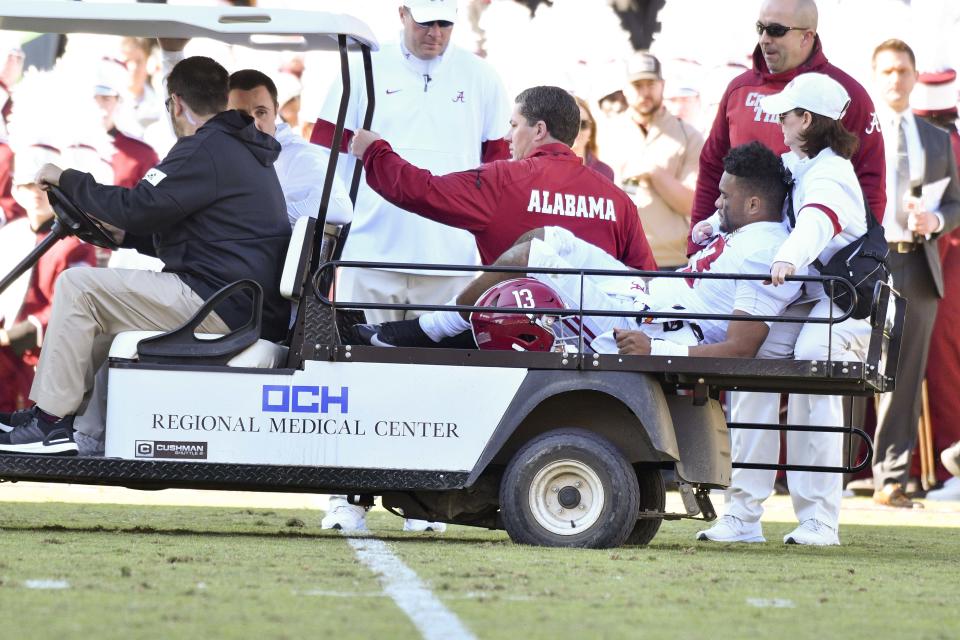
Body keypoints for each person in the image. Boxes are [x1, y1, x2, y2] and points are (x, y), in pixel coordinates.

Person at [0, 56, 291, 455]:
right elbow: (187, 232)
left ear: (175, 103)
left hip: (222, 300)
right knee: (96, 311)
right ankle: (74, 426)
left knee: (79, 286)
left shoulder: (204, 148)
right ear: (224, 99)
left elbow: (140, 205)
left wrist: (66, 179)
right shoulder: (235, 148)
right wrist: (124, 236)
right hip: (233, 297)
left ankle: (49, 422)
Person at [355, 141, 802, 361]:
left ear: (755, 203)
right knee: (549, 237)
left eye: (726, 196)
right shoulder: (750, 231)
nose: (717, 202)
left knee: (534, 262)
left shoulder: (763, 251)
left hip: (651, 323)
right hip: (650, 294)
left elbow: (742, 345)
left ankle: (433, 327)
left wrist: (659, 348)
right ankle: (436, 325)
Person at [695, 74, 884, 546]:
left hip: (846, 303)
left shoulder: (832, 172)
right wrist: (713, 223)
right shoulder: (795, 164)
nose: (778, 120)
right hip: (814, 295)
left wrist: (786, 258)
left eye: (786, 113)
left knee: (811, 369)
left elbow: (819, 223)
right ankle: (742, 515)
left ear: (807, 119)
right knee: (752, 363)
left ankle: (820, 519)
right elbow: (761, 204)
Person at [311, 0, 512, 326]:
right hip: (368, 257)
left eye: (445, 24)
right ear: (402, 13)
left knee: (440, 372)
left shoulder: (483, 76)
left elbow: (501, 171)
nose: (435, 34)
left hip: (450, 262)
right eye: (425, 22)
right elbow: (324, 155)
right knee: (356, 366)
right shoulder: (364, 64)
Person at [688, 0, 885, 258]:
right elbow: (713, 167)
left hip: (814, 266)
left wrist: (859, 261)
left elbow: (870, 181)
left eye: (776, 30)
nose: (764, 38)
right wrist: (697, 246)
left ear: (807, 37)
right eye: (760, 28)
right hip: (738, 258)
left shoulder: (846, 94)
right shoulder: (739, 88)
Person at [869, 40, 960, 508]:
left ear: (915, 75)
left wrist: (936, 222)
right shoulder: (857, 136)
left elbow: (954, 203)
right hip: (869, 263)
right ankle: (843, 471)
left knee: (905, 376)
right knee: (858, 368)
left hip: (919, 262)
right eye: (887, 71)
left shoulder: (936, 139)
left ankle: (891, 478)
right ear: (875, 75)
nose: (896, 80)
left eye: (903, 71)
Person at [0, 141, 97, 415]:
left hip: (44, 356)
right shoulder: (9, 235)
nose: (35, 194)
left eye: (42, 187)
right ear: (16, 191)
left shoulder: (76, 244)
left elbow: (72, 309)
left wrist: (11, 336)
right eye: (27, 186)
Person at [600, 52, 704, 270]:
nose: (645, 92)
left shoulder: (689, 135)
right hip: (619, 257)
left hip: (673, 259)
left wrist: (654, 171)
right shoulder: (605, 133)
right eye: (638, 85)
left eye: (651, 84)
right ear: (626, 89)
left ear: (662, 85)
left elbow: (692, 205)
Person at [911, 68, 960, 497]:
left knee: (943, 369)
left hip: (944, 267)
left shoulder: (941, 143)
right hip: (943, 263)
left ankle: (949, 469)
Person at [228, 68, 352, 226]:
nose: (254, 123)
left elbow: (341, 209)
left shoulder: (301, 154)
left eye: (261, 112)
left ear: (275, 110)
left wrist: (271, 216)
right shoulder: (226, 153)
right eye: (242, 115)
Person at [92, 56, 160, 189]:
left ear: (119, 103)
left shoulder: (143, 154)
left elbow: (156, 198)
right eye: (94, 99)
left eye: (106, 99)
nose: (99, 106)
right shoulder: (64, 147)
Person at [571, 95, 614, 182]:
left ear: (591, 130)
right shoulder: (542, 169)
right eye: (570, 123)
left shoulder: (605, 173)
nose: (577, 130)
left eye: (583, 124)